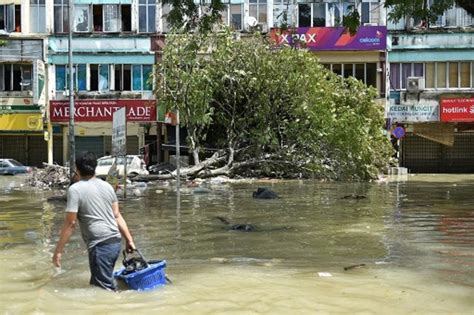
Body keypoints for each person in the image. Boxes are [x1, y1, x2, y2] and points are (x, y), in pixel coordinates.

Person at [52, 151, 136, 291]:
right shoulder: (107, 186)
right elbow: (117, 215)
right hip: (115, 242)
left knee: (104, 291)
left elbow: (70, 223)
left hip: (100, 245)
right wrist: (129, 240)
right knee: (98, 284)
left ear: (77, 169)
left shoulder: (75, 190)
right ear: (95, 167)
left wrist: (58, 251)